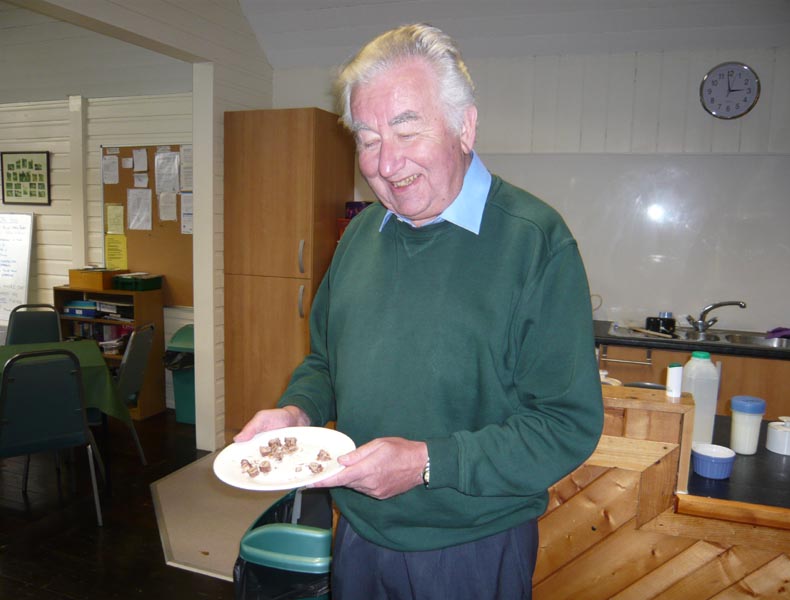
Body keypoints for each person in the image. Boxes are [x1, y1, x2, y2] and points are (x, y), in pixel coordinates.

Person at [235, 23, 604, 600]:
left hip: (472, 545)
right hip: (358, 531)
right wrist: (297, 411)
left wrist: (429, 463)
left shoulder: (534, 241)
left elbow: (566, 425)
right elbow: (327, 361)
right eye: (368, 139)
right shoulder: (361, 235)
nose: (387, 163)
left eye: (407, 129)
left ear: (465, 127)